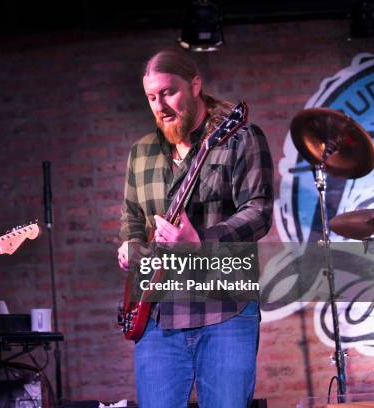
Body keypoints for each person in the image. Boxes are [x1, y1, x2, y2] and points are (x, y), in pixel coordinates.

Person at [117, 48, 274, 407]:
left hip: (224, 309)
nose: (160, 106)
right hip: (156, 314)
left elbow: (260, 211)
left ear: (195, 85)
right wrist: (129, 244)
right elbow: (130, 217)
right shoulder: (141, 153)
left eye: (168, 92)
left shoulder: (239, 138)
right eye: (151, 97)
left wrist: (201, 240)